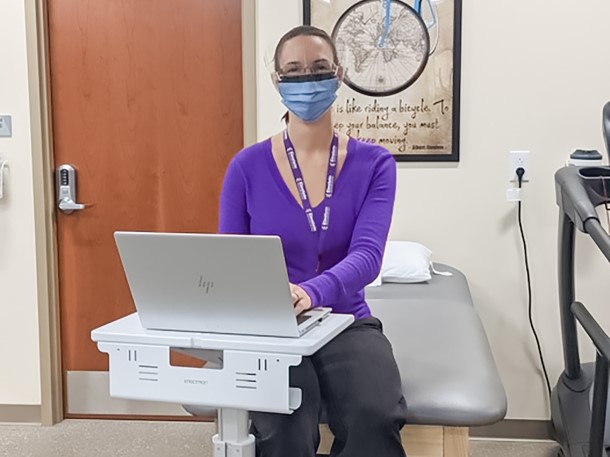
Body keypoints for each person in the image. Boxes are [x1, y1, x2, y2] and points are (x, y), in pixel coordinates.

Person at [218, 25, 407, 457]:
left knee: (374, 417)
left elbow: (368, 256)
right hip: (272, 326)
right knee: (284, 425)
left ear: (338, 75)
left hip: (346, 320)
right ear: (276, 80)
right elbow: (231, 258)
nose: (308, 80)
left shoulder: (375, 164)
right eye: (294, 70)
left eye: (319, 69)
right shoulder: (245, 168)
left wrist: (309, 292)